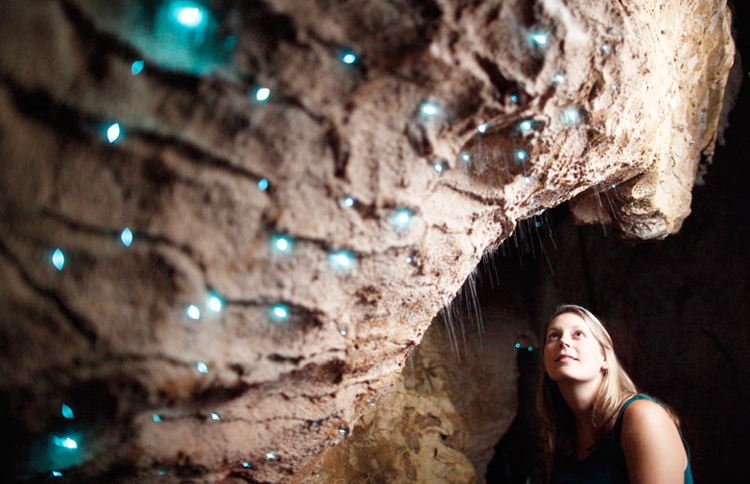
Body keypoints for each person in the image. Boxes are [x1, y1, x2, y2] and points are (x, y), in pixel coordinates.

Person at [537, 304, 693, 484]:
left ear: (604, 357)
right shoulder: (559, 436)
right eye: (553, 336)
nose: (563, 341)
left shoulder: (643, 416)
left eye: (578, 334)